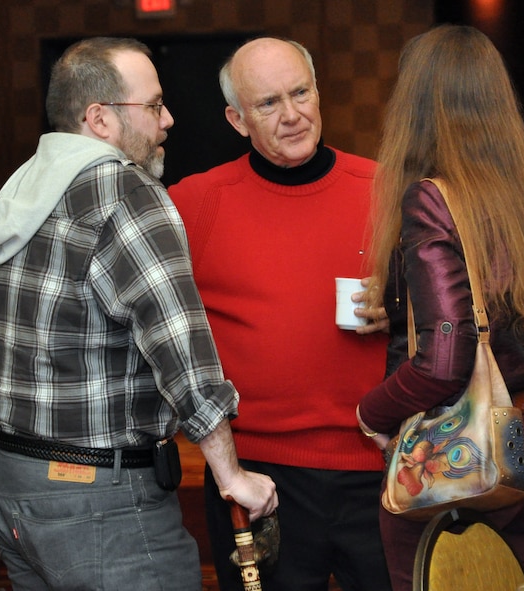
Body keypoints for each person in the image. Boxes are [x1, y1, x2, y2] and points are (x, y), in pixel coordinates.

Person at [0, 37, 277, 591]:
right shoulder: (123, 187)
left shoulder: (22, 188)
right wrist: (230, 475)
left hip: (6, 481)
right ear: (100, 118)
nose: (169, 119)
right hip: (96, 501)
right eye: (154, 105)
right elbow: (179, 344)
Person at [355, 25, 524, 589]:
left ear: (414, 105)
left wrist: (372, 413)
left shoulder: (430, 197)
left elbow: (443, 360)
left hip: (457, 455)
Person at [168, 36, 392, 591]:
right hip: (259, 481)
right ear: (237, 119)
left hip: (382, 470)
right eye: (269, 103)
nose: (292, 115)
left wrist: (402, 310)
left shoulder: (388, 188)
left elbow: (452, 312)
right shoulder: (194, 203)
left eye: (301, 93)